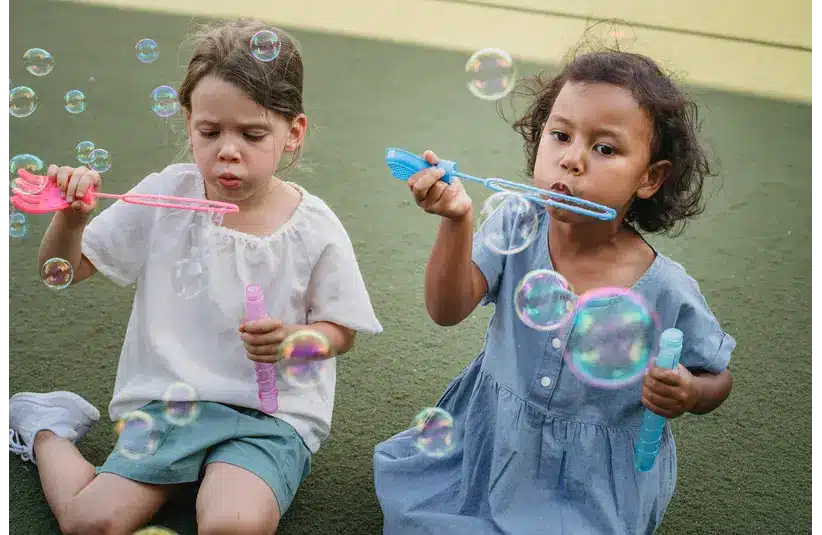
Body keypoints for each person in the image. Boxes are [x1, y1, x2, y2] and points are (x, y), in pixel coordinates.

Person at [7, 19, 382, 535]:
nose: (228, 150)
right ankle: (46, 426)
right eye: (210, 132)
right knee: (90, 523)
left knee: (234, 525)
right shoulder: (168, 194)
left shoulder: (313, 226)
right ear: (188, 122)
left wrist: (295, 340)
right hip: (167, 403)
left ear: (292, 133)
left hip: (269, 419)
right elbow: (66, 271)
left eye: (252, 134)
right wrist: (72, 215)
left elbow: (341, 332)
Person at [373, 47, 735, 535]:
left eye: (604, 148)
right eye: (560, 135)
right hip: (491, 441)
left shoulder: (665, 287)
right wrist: (456, 220)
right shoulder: (516, 222)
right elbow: (446, 309)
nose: (571, 159)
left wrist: (690, 393)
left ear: (650, 178)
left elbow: (718, 378)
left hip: (592, 480)